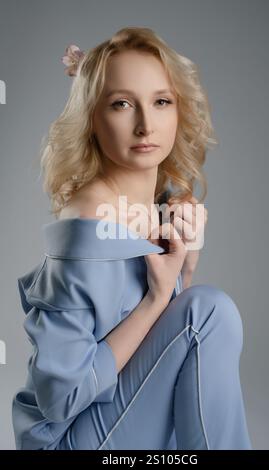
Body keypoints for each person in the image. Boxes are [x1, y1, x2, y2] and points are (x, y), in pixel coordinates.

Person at [12, 27, 252, 450]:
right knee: (209, 311)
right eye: (122, 104)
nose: (145, 125)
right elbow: (61, 398)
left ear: (180, 113)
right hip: (68, 439)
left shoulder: (161, 202)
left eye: (161, 102)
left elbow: (169, 356)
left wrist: (186, 267)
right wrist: (157, 300)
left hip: (117, 426)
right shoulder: (90, 221)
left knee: (204, 309)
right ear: (92, 117)